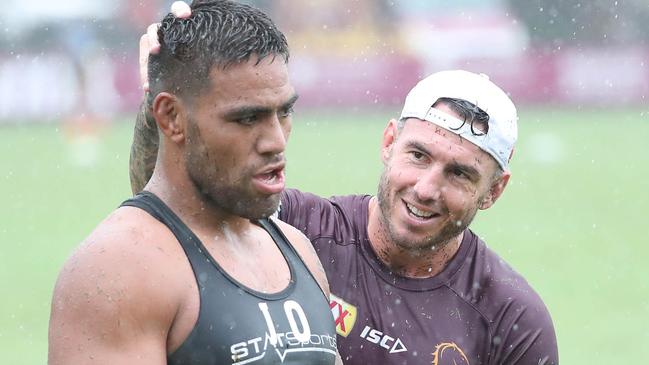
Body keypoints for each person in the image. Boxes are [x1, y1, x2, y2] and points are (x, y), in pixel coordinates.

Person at [131, 5, 559, 365]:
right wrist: (164, 104)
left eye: (459, 173)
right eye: (419, 156)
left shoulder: (512, 319)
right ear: (389, 142)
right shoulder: (294, 229)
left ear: (494, 191)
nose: (427, 188)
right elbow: (175, 211)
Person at [49, 1, 342, 364]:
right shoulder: (117, 270)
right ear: (171, 117)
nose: (276, 141)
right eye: (247, 118)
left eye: (284, 112)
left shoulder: (297, 250)